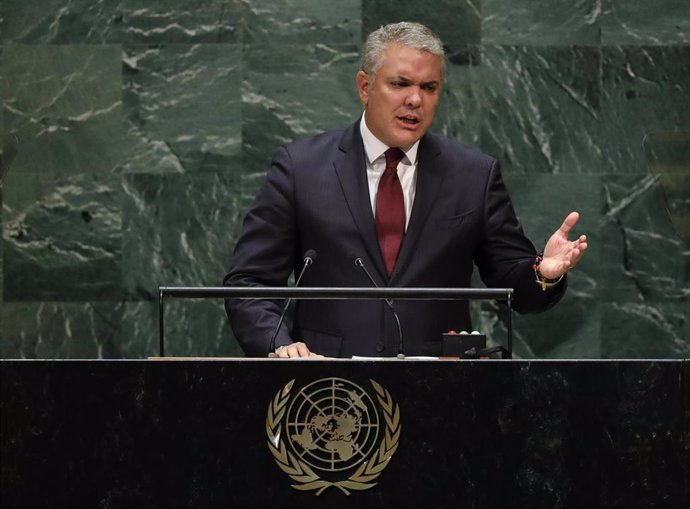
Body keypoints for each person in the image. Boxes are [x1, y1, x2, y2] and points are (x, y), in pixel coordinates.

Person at [223, 22, 587, 358]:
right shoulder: (301, 168)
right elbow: (250, 283)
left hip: (441, 389)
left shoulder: (473, 175)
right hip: (328, 389)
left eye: (428, 88)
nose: (415, 100)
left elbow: (514, 287)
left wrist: (544, 273)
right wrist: (281, 345)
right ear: (365, 87)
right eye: (400, 84)